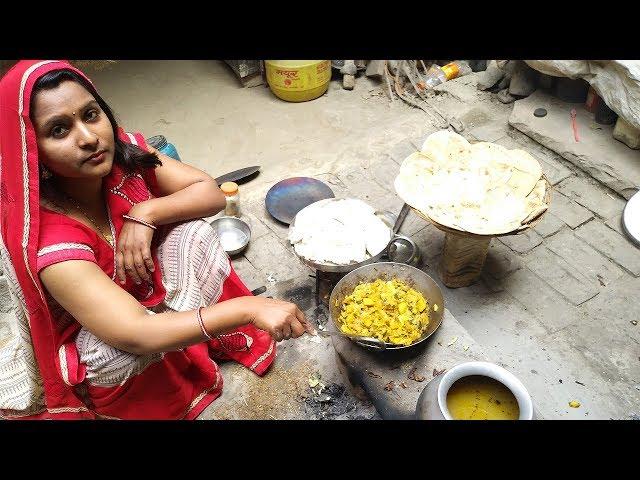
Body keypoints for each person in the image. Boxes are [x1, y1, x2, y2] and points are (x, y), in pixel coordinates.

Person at [0, 59, 316, 420]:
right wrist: (248, 309)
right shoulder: (51, 242)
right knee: (117, 352)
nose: (88, 138)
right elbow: (136, 332)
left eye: (90, 115)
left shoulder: (122, 157)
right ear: (31, 149)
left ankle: (197, 340)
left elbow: (209, 193)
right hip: (113, 337)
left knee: (194, 234)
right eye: (59, 130)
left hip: (146, 289)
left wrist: (146, 214)